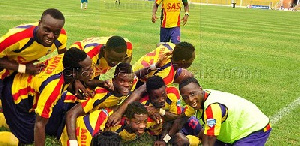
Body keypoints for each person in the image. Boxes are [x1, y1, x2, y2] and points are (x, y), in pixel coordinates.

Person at [1, 48, 93, 145]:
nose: (92, 71)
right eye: (87, 69)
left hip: (21, 82)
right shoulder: (53, 88)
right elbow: (40, 124)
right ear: (74, 72)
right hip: (16, 97)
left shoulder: (65, 61)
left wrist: (72, 85)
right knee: (27, 137)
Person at [177, 77, 272, 146]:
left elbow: (210, 138)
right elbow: (181, 119)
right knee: (203, 134)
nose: (190, 99)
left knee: (208, 138)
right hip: (235, 130)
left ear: (200, 90)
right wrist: (167, 138)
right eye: (185, 97)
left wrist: (193, 141)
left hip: (254, 131)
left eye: (192, 94)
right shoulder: (197, 100)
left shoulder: (213, 107)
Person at [0, 8, 67, 98]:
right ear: (39, 24)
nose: (51, 36)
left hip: (20, 74)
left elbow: (65, 59)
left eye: (56, 32)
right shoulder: (17, 37)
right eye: (46, 30)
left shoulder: (61, 36)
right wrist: (24, 68)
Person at [65, 63, 135, 145]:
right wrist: (73, 143)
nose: (127, 85)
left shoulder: (130, 86)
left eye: (130, 82)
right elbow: (71, 114)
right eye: (122, 81)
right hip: (66, 109)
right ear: (113, 80)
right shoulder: (99, 95)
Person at [62, 101, 148, 146]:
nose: (143, 126)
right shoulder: (90, 134)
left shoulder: (141, 117)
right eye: (138, 122)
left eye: (145, 121)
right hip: (68, 128)